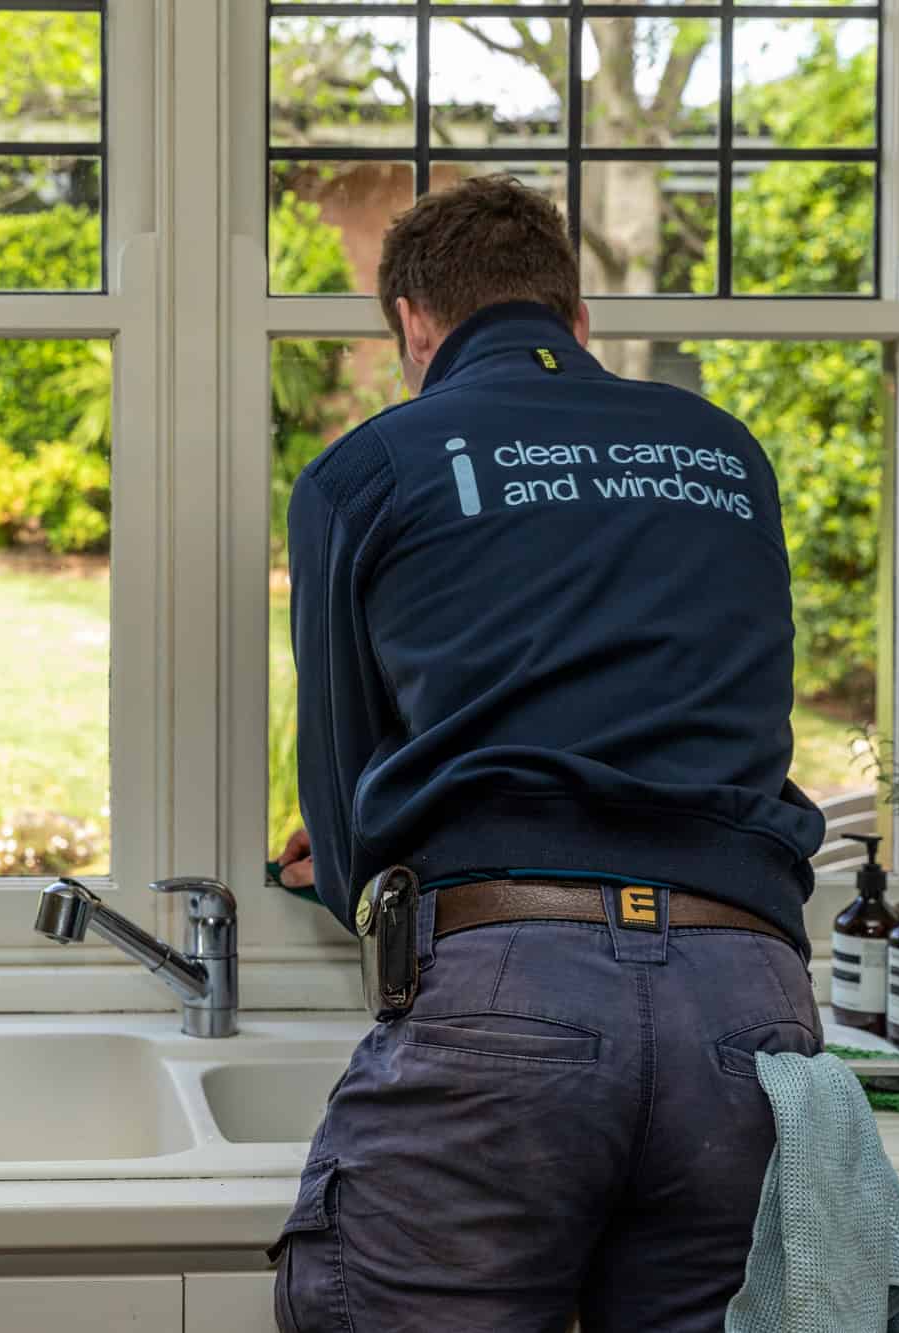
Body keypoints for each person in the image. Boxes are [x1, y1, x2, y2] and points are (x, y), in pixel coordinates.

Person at [270, 174, 828, 1333]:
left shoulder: (365, 470)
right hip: (750, 1007)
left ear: (411, 324)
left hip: (507, 991)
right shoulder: (726, 453)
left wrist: (347, 866)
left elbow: (344, 798)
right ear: (575, 320)